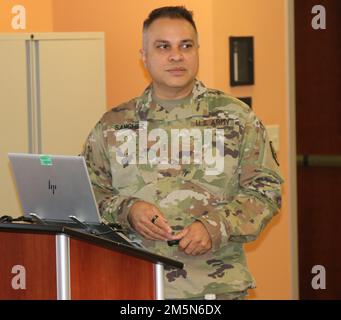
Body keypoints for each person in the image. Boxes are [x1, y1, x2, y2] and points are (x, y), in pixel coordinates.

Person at [81, 6, 283, 300]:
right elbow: (86, 194)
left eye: (185, 46)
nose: (176, 56)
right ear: (144, 56)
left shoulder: (236, 118)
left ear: (197, 51)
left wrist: (216, 226)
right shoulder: (114, 124)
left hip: (215, 288)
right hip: (132, 284)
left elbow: (266, 191)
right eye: (163, 47)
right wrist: (127, 210)